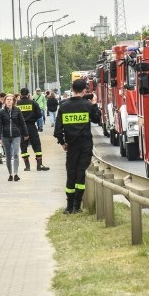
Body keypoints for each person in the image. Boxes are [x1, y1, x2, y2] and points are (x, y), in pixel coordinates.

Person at [54, 78, 101, 214]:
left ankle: (69, 206)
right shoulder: (87, 105)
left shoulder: (63, 106)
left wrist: (62, 143)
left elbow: (57, 130)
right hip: (85, 145)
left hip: (71, 146)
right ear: (85, 90)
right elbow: (97, 119)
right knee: (81, 173)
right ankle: (77, 206)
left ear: (72, 90)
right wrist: (94, 104)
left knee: (71, 173)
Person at [17, 87, 49, 172]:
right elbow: (39, 115)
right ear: (28, 94)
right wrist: (32, 117)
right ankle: (39, 165)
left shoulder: (17, 104)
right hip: (31, 126)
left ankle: (27, 166)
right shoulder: (33, 103)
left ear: (21, 94)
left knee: (23, 146)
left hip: (21, 128)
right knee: (36, 144)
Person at [0, 93, 28, 181]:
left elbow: (22, 122)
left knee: (15, 154)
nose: (9, 101)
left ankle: (15, 173)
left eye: (11, 100)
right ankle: (10, 174)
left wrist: (26, 134)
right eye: (7, 100)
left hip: (16, 135)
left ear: (14, 101)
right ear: (5, 101)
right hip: (5, 136)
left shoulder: (17, 110)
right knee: (8, 156)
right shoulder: (1, 112)